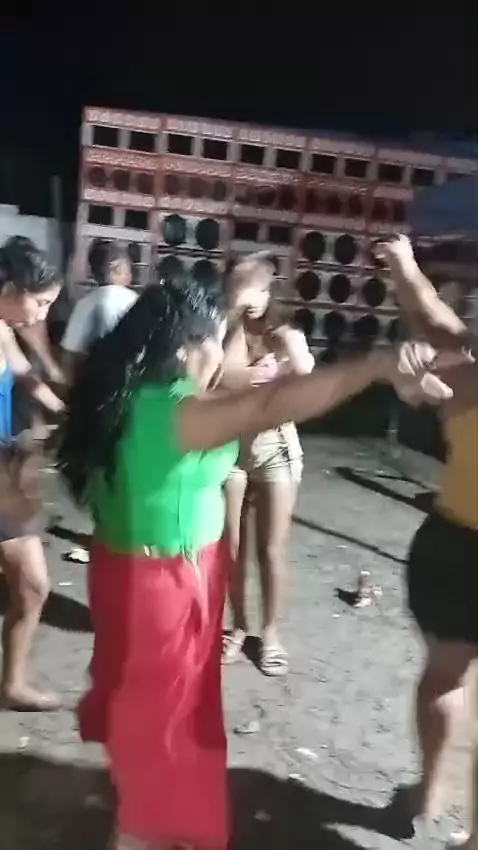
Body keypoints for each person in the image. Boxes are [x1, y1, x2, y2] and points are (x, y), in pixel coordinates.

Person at [57, 269, 444, 850]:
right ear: (187, 350)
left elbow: (244, 386)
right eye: (215, 341)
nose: (221, 354)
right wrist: (375, 366)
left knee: (142, 711)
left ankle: (142, 815)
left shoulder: (127, 392)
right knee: (162, 725)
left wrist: (241, 323)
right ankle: (135, 832)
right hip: (165, 586)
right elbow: (270, 402)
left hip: (122, 570)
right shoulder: (178, 414)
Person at [378, 235, 477, 850]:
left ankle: (428, 792)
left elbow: (440, 329)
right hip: (456, 547)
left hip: (459, 546)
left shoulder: (468, 382)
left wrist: (404, 266)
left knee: (444, 676)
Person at [221, 252, 314, 675]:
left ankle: (271, 633)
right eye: (241, 288)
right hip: (229, 449)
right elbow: (218, 377)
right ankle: (239, 626)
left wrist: (292, 349)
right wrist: (232, 322)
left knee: (271, 549)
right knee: (232, 548)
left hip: (276, 448)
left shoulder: (283, 332)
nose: (250, 298)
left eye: (257, 289)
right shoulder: (224, 329)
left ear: (269, 289)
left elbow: (306, 371)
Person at [0, 236, 64, 711]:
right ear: (10, 289)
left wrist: (69, 413)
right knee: (31, 584)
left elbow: (26, 376)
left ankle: (13, 684)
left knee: (32, 585)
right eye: (40, 303)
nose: (42, 314)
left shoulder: (4, 329)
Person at [61, 240, 137, 382]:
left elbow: (70, 350)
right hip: (128, 377)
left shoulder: (84, 304)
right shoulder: (134, 300)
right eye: (129, 270)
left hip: (93, 378)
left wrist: (70, 384)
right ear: (118, 270)